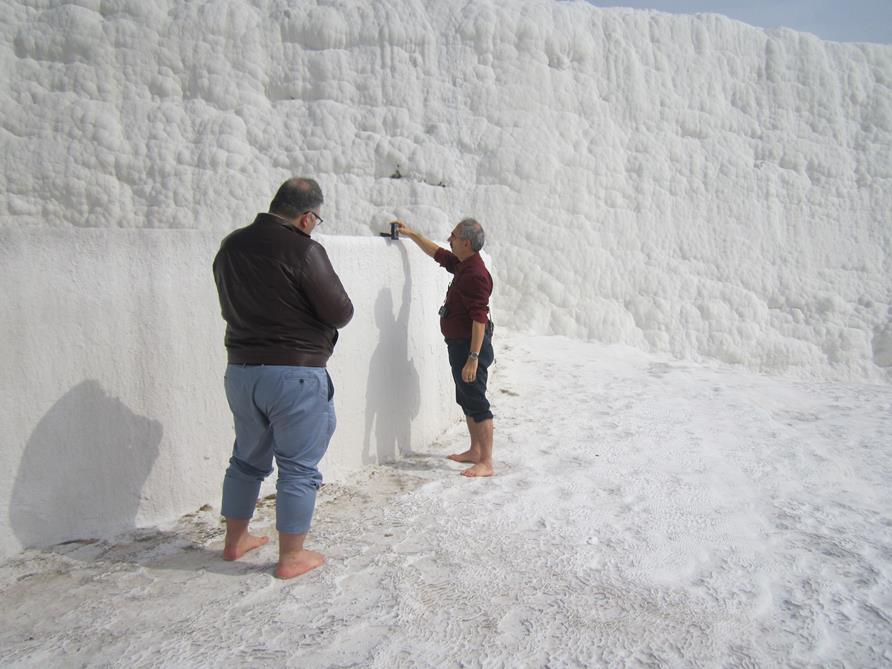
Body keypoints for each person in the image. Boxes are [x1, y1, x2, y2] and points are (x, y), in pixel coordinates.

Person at [212, 177, 353, 578]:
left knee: (246, 459)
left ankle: (235, 541)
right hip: (295, 373)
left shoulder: (230, 246)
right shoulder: (304, 249)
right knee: (298, 466)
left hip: (240, 370)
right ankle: (291, 557)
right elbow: (340, 310)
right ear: (307, 217)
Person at [396, 218, 495, 477]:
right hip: (460, 344)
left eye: (452, 236)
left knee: (476, 399)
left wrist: (473, 357)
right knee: (465, 397)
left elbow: (479, 319)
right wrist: (412, 233)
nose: (448, 239)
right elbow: (437, 253)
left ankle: (486, 461)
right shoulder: (464, 263)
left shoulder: (475, 274)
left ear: (465, 242)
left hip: (470, 347)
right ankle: (475, 450)